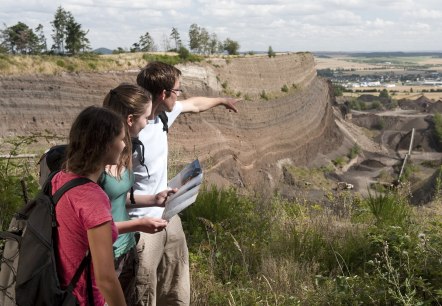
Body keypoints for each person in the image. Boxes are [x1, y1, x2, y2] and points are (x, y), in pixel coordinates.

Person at [129, 61, 240, 305]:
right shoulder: (131, 131)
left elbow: (196, 105)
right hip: (141, 224)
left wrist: (222, 100)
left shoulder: (164, 115)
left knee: (175, 287)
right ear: (163, 94)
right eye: (177, 90)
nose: (180, 95)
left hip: (169, 215)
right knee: (143, 291)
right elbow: (110, 190)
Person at [101, 83, 173, 305]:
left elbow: (117, 199)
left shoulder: (124, 150)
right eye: (146, 115)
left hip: (125, 249)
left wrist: (153, 199)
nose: (150, 119)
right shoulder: (100, 159)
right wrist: (139, 224)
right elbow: (94, 226)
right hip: (106, 254)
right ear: (130, 120)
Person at [52, 106, 127, 306]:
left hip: (58, 291)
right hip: (83, 298)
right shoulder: (92, 198)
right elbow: (106, 280)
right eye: (120, 139)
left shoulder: (60, 178)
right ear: (105, 145)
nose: (124, 145)